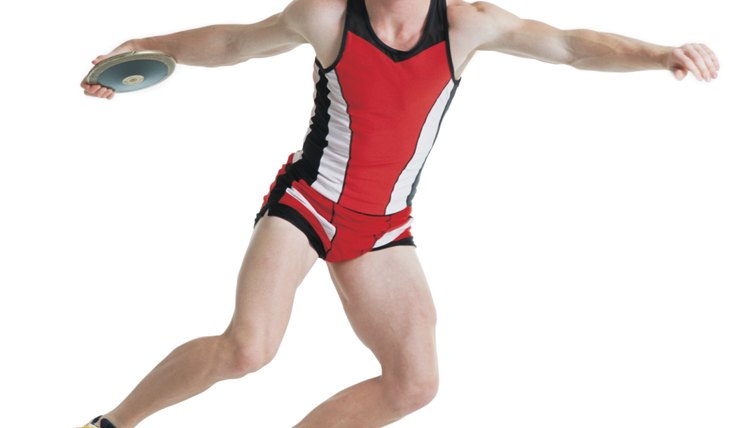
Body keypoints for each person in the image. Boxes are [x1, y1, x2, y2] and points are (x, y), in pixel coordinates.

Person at [79, 0, 719, 426]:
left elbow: (572, 45)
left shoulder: (468, 23)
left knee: (414, 383)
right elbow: (234, 42)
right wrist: (146, 43)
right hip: (307, 202)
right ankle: (112, 424)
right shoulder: (327, 15)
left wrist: (659, 53)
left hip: (384, 225)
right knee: (248, 348)